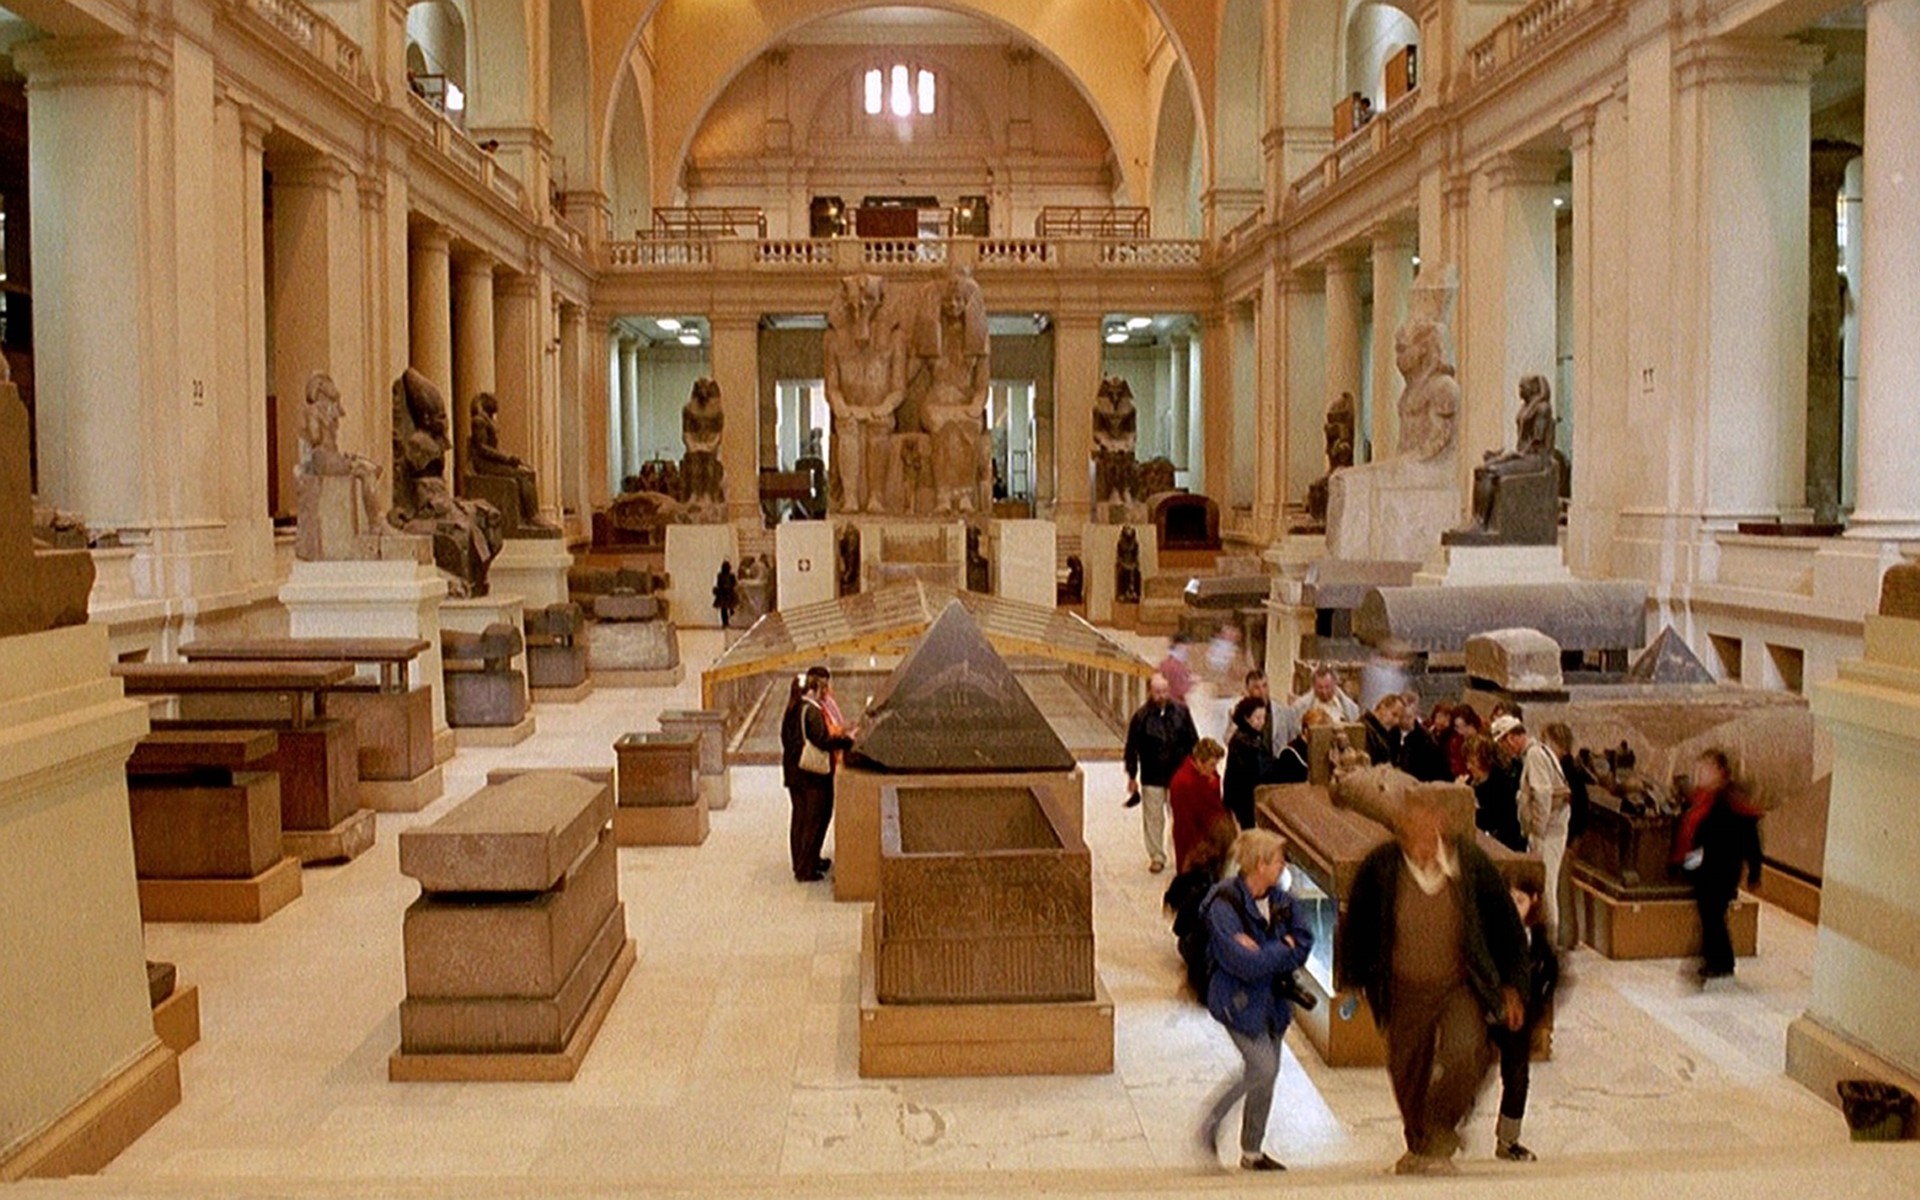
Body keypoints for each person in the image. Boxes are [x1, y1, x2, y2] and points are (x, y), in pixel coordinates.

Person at [1336, 789, 1529, 1176]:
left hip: (1457, 985)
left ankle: (1439, 1132)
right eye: (1412, 831)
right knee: (1407, 1071)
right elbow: (1356, 921)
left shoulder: (1469, 863)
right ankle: (1418, 1146)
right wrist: (1352, 980)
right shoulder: (1382, 866)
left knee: (1466, 1051)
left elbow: (1506, 924)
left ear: (1441, 826)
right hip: (1404, 988)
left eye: (1428, 830)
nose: (1421, 841)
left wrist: (1512, 985)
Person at [1198, 829, 1314, 1172]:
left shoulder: (1282, 901)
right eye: (1278, 860)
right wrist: (1281, 948)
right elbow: (1243, 963)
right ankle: (1212, 1121)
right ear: (1260, 865)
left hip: (1273, 1003)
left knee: (1267, 1074)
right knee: (1262, 1067)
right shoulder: (1223, 905)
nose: (1283, 866)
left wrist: (1266, 951)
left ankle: (1252, 1151)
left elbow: (1303, 943)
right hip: (1237, 1002)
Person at [1673, 747, 1763, 982]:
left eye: (1705, 769)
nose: (1700, 774)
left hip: (1722, 870)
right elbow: (1697, 839)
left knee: (1712, 916)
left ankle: (1718, 962)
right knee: (1710, 916)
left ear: (1719, 771)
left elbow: (1748, 837)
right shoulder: (1703, 799)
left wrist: (1754, 871)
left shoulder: (1729, 802)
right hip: (1706, 870)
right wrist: (1687, 864)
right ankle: (1719, 960)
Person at [1489, 877, 1558, 1163]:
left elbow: (1551, 974)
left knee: (1517, 1077)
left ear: (1534, 901)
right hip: (1490, 1013)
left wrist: (1537, 1009)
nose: (1513, 907)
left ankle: (1508, 1140)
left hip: (1520, 1020)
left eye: (1520, 901)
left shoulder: (1538, 939)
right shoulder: (1491, 932)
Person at [1494, 715, 1571, 945]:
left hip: (1548, 833)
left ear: (1511, 738)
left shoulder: (1536, 755)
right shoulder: (1536, 753)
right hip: (1547, 831)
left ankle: (1549, 944)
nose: (1505, 750)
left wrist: (1538, 830)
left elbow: (1542, 794)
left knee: (1546, 889)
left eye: (1503, 743)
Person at [779, 666, 854, 882]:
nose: (826, 692)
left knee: (800, 818)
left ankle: (804, 861)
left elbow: (785, 738)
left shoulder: (793, 707)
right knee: (813, 820)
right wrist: (846, 742)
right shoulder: (811, 711)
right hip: (811, 775)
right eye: (823, 688)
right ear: (813, 690)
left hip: (794, 772)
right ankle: (806, 869)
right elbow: (822, 740)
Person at [1123, 672, 1199, 873]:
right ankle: (1156, 855)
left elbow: (1193, 742)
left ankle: (1182, 855)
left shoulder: (1182, 713)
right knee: (1153, 819)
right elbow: (1132, 748)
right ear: (1150, 691)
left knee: (1181, 818)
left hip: (1179, 775)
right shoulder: (1140, 718)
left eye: (1164, 691)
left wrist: (1196, 769)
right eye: (1157, 692)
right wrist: (1132, 775)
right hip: (1152, 775)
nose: (1162, 695)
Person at [1169, 739, 1233, 874]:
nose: (1214, 769)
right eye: (1212, 765)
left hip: (1211, 839)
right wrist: (1197, 851)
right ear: (1199, 761)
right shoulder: (1183, 783)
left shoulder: (1206, 774)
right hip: (1196, 844)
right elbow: (1185, 823)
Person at [1465, 732, 1526, 852]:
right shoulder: (1471, 782)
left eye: (1472, 762)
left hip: (1503, 844)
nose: (1468, 767)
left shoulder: (1501, 783)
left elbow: (1493, 819)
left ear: (1484, 760)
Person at [1224, 697, 1279, 830]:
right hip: (1245, 798)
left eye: (1263, 718)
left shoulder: (1247, 736)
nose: (1261, 722)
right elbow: (1259, 770)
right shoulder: (1246, 743)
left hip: (1242, 796)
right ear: (1247, 718)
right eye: (1257, 718)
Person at [1395, 692, 1450, 783]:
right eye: (1402, 716)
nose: (1405, 720)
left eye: (1409, 716)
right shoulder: (1392, 733)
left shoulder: (1426, 740)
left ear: (1415, 713)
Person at [711, 560, 739, 629]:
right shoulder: (727, 575)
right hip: (727, 594)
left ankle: (726, 622)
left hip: (724, 594)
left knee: (725, 609)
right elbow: (734, 584)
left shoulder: (721, 575)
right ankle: (726, 622)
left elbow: (720, 583)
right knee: (728, 608)